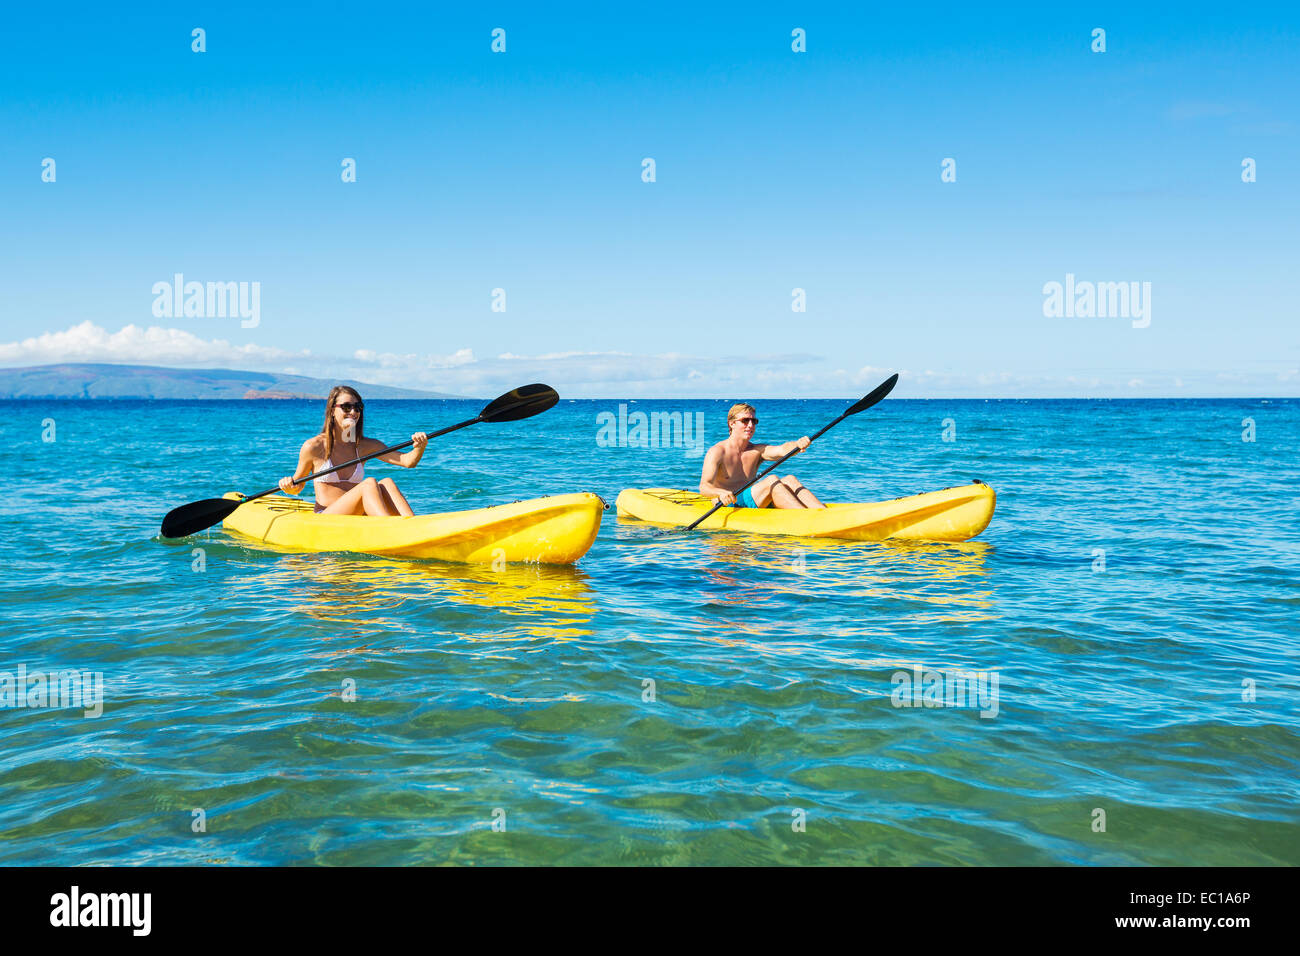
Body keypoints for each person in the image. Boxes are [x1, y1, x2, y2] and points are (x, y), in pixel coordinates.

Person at [278, 385, 429, 515]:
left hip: (356, 516)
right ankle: (388, 529)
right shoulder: (314, 446)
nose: (353, 412)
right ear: (332, 410)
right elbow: (297, 487)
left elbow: (407, 461)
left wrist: (420, 447)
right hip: (327, 516)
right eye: (346, 407)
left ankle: (414, 527)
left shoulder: (365, 446)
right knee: (369, 483)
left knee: (387, 483)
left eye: (357, 407)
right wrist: (288, 486)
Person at [699, 403, 826, 509]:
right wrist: (720, 493)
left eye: (753, 421)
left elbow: (782, 449)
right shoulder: (717, 451)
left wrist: (798, 444)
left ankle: (822, 513)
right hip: (729, 505)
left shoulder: (756, 450)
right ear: (732, 424)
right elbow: (704, 487)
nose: (750, 425)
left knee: (790, 479)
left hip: (752, 501)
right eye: (745, 420)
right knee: (771, 480)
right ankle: (806, 519)